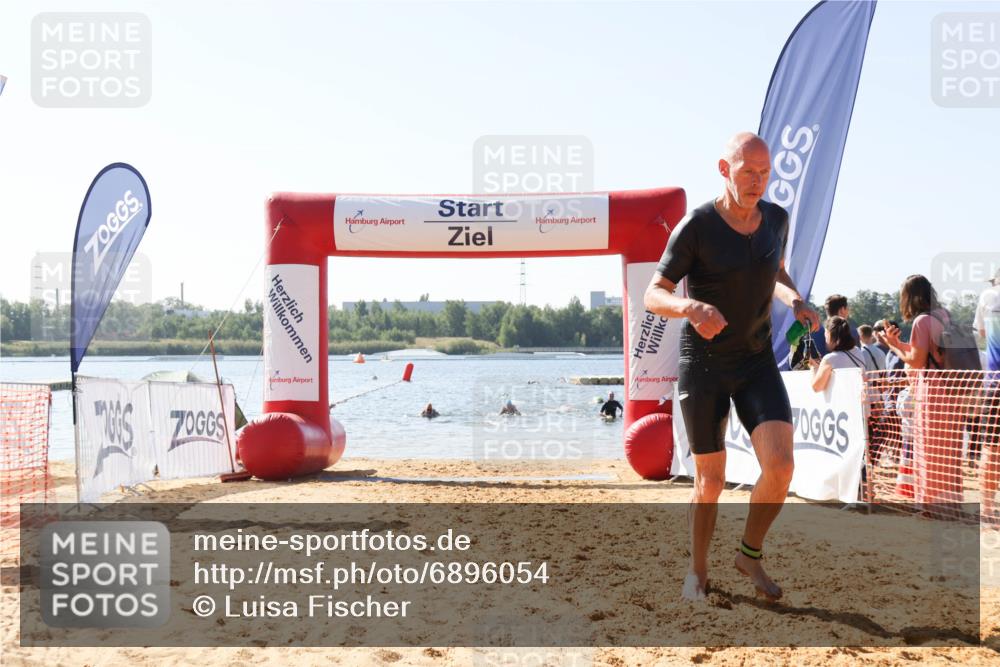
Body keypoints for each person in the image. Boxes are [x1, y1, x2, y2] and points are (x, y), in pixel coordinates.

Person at [644, 132, 819, 601]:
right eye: (748, 173)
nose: (758, 182)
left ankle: (749, 555)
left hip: (756, 360)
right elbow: (654, 293)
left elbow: (774, 269)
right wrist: (690, 309)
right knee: (711, 480)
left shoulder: (776, 219)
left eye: (765, 173)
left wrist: (795, 298)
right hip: (704, 365)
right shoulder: (696, 225)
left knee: (780, 466)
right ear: (725, 170)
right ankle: (697, 571)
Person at [877, 275, 964, 510]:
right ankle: (950, 503)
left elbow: (916, 361)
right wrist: (896, 344)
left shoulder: (921, 322)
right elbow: (927, 354)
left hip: (931, 393)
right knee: (949, 449)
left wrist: (893, 346)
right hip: (952, 391)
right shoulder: (944, 316)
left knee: (928, 450)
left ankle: (928, 506)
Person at [975, 268, 1000, 520]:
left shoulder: (988, 296)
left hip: (995, 382)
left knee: (991, 448)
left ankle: (988, 509)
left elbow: (981, 333)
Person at [808, 317, 873, 392]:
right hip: (860, 401)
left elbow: (816, 388)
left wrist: (813, 367)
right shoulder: (857, 351)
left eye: (825, 335)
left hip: (843, 402)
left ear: (830, 335)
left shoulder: (829, 359)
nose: (825, 340)